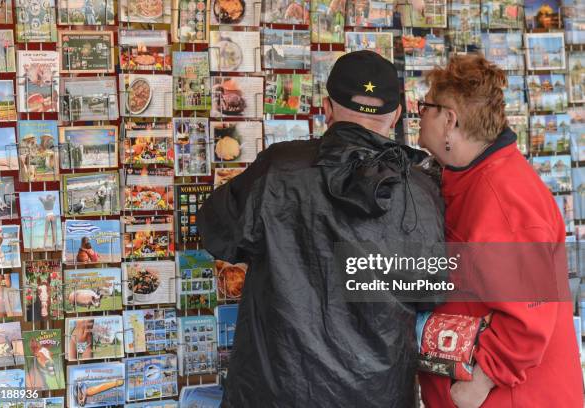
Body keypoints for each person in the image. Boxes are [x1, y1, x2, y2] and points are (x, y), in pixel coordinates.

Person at [198, 50, 444, 407]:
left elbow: (215, 232)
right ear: (396, 115)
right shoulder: (421, 191)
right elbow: (430, 293)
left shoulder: (279, 169)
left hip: (278, 391)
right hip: (378, 393)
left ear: (326, 108)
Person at [417, 53, 583, 407]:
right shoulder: (472, 178)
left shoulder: (505, 198)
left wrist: (480, 381)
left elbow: (528, 318)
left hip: (511, 397)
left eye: (424, 107)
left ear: (449, 120)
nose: (418, 115)